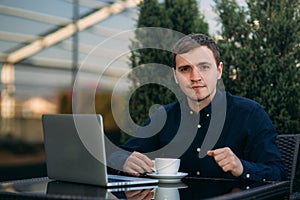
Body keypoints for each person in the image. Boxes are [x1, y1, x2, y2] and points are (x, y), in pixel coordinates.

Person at [109, 33, 286, 181]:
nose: (195, 77)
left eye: (204, 67)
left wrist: (242, 167)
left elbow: (278, 173)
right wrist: (123, 161)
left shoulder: (249, 114)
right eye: (185, 69)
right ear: (175, 76)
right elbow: (118, 155)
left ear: (219, 71)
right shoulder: (163, 117)